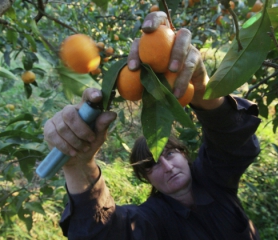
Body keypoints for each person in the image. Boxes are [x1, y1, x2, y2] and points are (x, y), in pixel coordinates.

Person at [43, 12, 262, 240]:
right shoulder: (152, 219)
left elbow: (236, 142)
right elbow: (105, 232)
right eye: (152, 165)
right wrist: (79, 166)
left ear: (185, 154)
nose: (167, 166)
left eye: (170, 153)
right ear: (145, 179)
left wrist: (202, 92)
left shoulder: (214, 179)